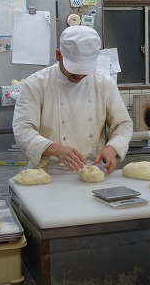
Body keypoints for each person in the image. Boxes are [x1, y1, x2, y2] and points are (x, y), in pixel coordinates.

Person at [12, 25, 133, 174]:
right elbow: (22, 129)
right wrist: (55, 149)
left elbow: (123, 124)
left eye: (85, 69)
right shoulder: (36, 84)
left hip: (93, 170)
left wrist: (113, 147)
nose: (80, 75)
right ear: (58, 55)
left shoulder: (104, 83)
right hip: (50, 173)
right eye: (74, 68)